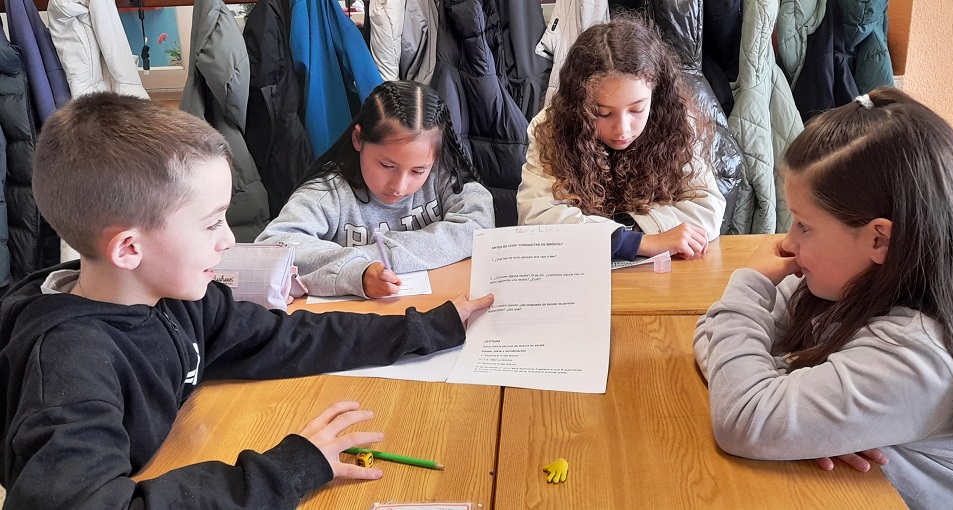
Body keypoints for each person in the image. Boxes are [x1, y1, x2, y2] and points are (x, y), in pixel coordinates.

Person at [0, 93, 494, 508]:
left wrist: (430, 327)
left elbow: (286, 337)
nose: (227, 242)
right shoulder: (68, 367)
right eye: (211, 223)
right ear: (129, 248)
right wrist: (293, 468)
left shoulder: (177, 298)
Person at [694, 88, 953, 509]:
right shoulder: (853, 280)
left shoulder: (918, 355)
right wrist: (800, 418)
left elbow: (741, 416)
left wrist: (750, 287)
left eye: (804, 225)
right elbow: (713, 332)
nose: (788, 242)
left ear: (879, 239)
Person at [258, 80, 494, 299]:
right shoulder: (329, 191)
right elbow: (272, 246)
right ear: (358, 139)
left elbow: (478, 228)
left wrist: (384, 256)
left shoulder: (444, 176)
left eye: (417, 171)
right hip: (360, 325)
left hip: (440, 310)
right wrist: (357, 271)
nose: (399, 186)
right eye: (387, 165)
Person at [517, 17, 726, 261]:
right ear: (578, 106)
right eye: (603, 113)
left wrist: (616, 236)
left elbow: (707, 207)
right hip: (581, 275)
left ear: (655, 95)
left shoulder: (676, 121)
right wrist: (642, 242)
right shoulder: (550, 128)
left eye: (637, 110)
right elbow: (536, 219)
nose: (622, 130)